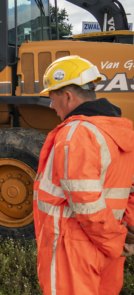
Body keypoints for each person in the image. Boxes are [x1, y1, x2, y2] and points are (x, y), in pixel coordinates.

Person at [34, 56, 134, 295]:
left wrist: (113, 240)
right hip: (111, 243)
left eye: (52, 98)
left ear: (67, 96)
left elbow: (85, 202)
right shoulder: (122, 130)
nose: (51, 106)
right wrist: (124, 235)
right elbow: (129, 190)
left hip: (73, 245)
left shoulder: (76, 133)